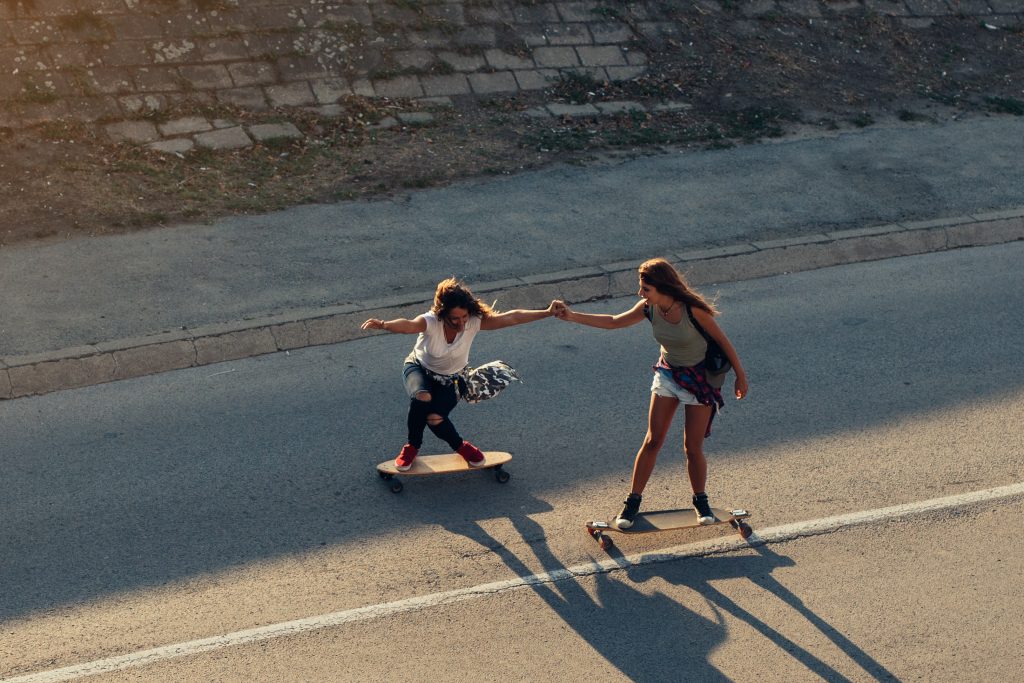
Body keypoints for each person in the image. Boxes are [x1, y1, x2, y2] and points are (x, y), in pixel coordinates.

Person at [554, 258, 748, 528]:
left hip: (699, 379)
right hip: (668, 374)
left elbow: (723, 341)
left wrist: (740, 376)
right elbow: (613, 321)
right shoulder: (649, 308)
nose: (640, 293)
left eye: (645, 289)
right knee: (653, 440)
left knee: (692, 447)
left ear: (662, 287)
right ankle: (631, 504)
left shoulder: (692, 310)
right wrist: (572, 316)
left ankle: (701, 502)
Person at [361, 277, 560, 471]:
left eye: (464, 317)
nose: (461, 323)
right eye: (455, 318)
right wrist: (385, 324)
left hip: (453, 377)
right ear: (442, 313)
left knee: (435, 418)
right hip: (419, 368)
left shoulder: (474, 321)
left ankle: (462, 447)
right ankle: (412, 447)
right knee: (422, 397)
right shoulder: (431, 322)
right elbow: (409, 325)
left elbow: (511, 317)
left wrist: (547, 312)